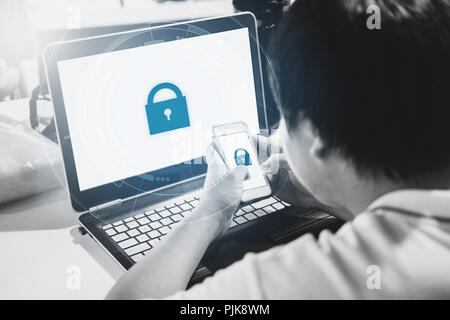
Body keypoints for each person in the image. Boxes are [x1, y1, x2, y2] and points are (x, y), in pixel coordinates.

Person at [107, 0, 450, 299]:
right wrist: (333, 196)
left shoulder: (300, 281)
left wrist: (210, 212)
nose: (276, 135)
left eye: (282, 120)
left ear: (316, 135)